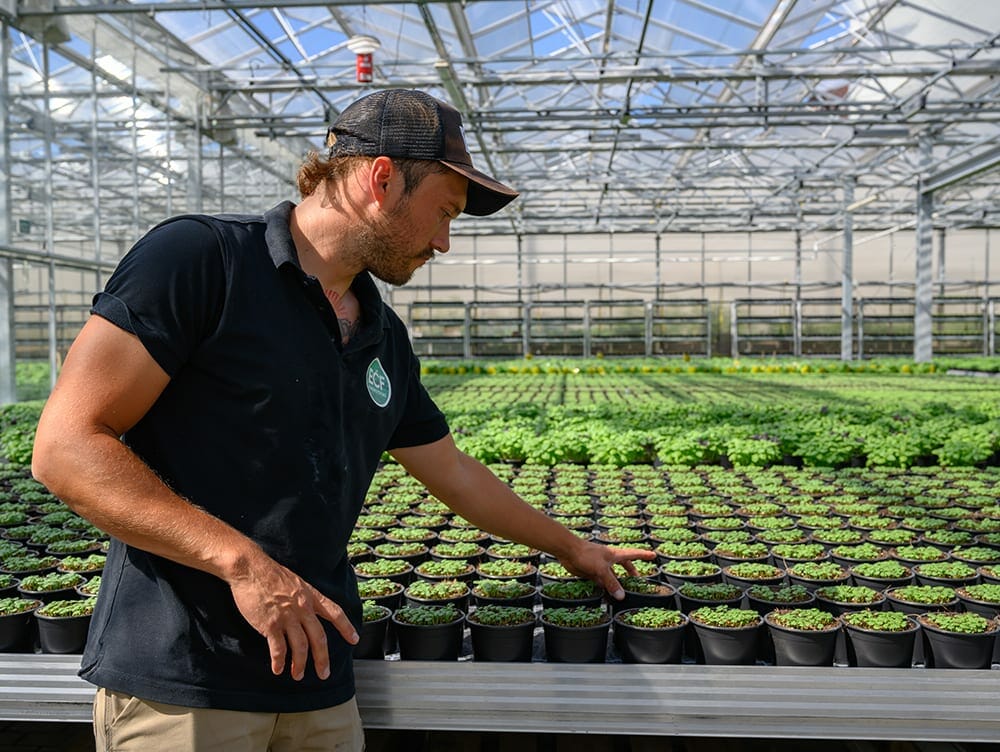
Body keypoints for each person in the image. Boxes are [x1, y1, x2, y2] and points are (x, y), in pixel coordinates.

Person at [31, 89, 654, 752]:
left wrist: (573, 548)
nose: (444, 242)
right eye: (442, 213)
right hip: (185, 685)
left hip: (319, 682)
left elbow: (454, 473)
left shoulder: (381, 336)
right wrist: (243, 563)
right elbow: (66, 447)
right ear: (381, 179)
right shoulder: (202, 261)